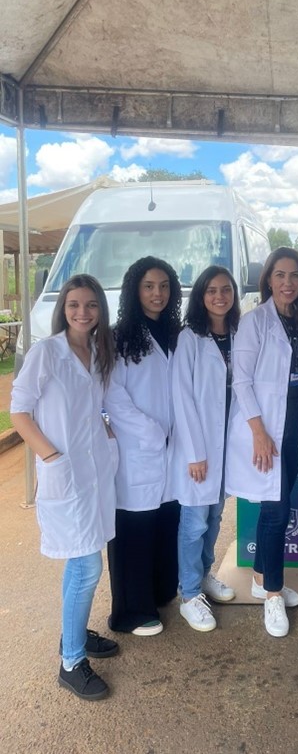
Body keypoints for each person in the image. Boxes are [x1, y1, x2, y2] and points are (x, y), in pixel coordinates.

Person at [11, 275, 119, 700]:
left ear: (100, 310)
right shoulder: (47, 352)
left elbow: (95, 406)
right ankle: (71, 662)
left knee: (85, 558)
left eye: (91, 305)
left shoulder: (97, 351)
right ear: (63, 308)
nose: (82, 312)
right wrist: (51, 456)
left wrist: (106, 433)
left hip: (93, 472)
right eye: (74, 304)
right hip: (66, 472)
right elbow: (19, 411)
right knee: (86, 565)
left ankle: (74, 634)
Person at [226, 248, 298, 637]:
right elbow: (242, 380)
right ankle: (273, 595)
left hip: (295, 426)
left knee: (276, 506)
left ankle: (262, 578)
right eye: (280, 275)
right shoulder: (255, 322)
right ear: (268, 280)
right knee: (277, 512)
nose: (287, 283)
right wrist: (259, 432)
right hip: (266, 429)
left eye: (294, 276)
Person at [104, 256, 182, 636]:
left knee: (166, 521)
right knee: (134, 529)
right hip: (138, 448)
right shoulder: (118, 337)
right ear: (135, 290)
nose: (157, 294)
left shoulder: (176, 333)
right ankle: (131, 612)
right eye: (149, 286)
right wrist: (151, 432)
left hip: (173, 449)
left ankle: (161, 592)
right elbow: (112, 395)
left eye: (164, 286)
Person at [170, 266, 239, 632]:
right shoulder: (190, 339)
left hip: (228, 446)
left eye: (225, 289)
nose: (219, 296)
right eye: (211, 290)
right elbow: (182, 398)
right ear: (200, 296)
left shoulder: (239, 334)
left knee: (215, 517)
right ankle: (189, 593)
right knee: (194, 521)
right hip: (199, 449)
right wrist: (195, 452)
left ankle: (204, 574)